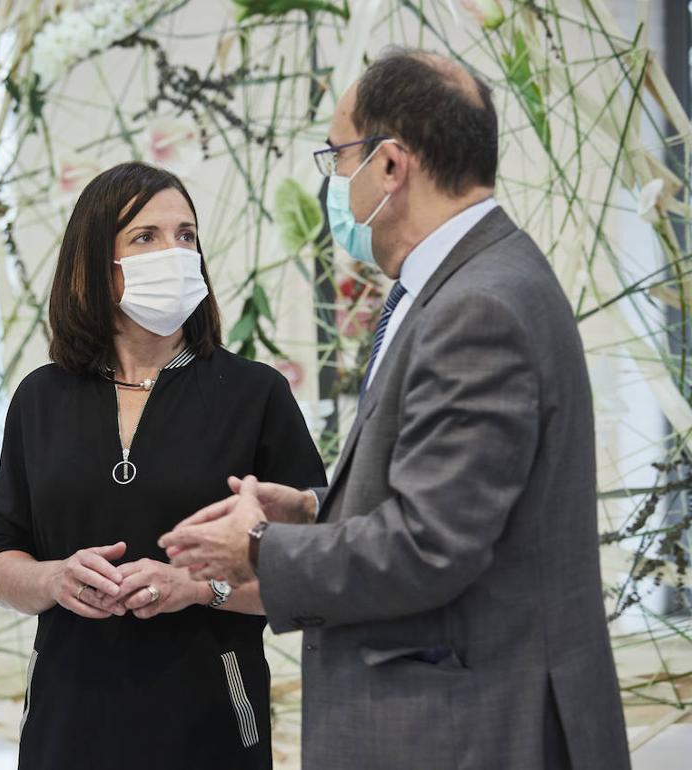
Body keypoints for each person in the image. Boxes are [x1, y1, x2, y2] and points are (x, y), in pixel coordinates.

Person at [159, 48, 631, 769]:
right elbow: (446, 496)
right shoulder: (463, 282)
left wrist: (256, 547)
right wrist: (313, 511)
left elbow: (429, 545)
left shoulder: (477, 307)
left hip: (467, 728)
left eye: (338, 157)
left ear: (389, 166)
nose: (336, 185)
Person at [0, 161, 326, 769]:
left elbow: (309, 569)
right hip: (68, 727)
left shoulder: (255, 394)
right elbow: (3, 560)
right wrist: (53, 580)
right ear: (95, 262)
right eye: (146, 237)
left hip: (210, 728)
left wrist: (197, 588)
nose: (175, 252)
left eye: (186, 235)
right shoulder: (41, 397)